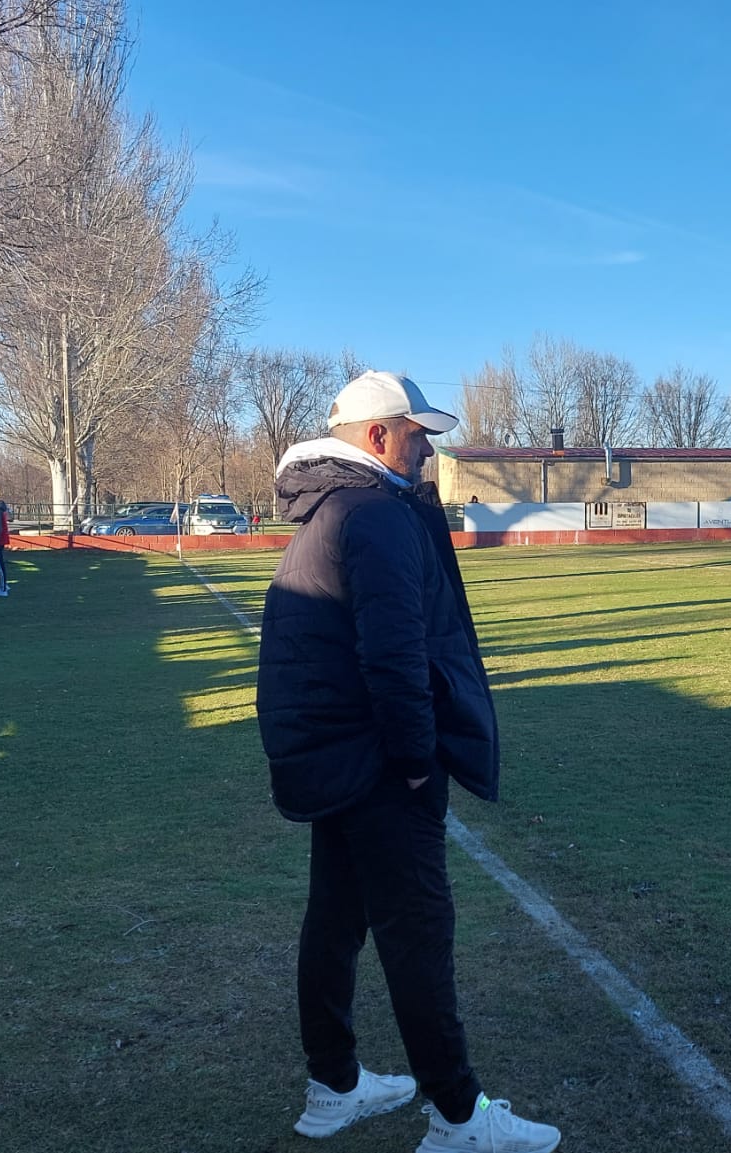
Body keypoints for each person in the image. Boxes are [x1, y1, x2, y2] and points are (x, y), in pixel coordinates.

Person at [257, 370, 559, 1151]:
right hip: (378, 766)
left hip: (339, 759)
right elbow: (394, 657)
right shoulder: (373, 516)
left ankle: (335, 1084)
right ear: (378, 436)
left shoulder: (335, 508)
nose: (429, 449)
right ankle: (459, 1117)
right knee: (417, 932)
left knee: (336, 919)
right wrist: (419, 764)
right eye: (418, 434)